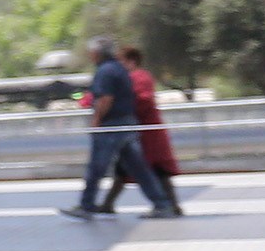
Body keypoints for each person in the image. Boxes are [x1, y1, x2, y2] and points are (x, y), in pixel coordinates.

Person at [62, 34, 181, 217]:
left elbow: (105, 98)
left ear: (96, 52)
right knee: (138, 167)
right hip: (128, 124)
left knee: (97, 167)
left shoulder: (105, 71)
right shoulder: (119, 69)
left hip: (112, 125)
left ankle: (86, 205)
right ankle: (162, 204)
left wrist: (97, 120)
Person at [99, 44, 178, 209]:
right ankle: (107, 204)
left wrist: (123, 105)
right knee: (124, 168)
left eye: (121, 61)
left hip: (147, 133)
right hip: (138, 132)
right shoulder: (130, 78)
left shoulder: (139, 77)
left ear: (131, 61)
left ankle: (171, 206)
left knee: (157, 169)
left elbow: (143, 100)